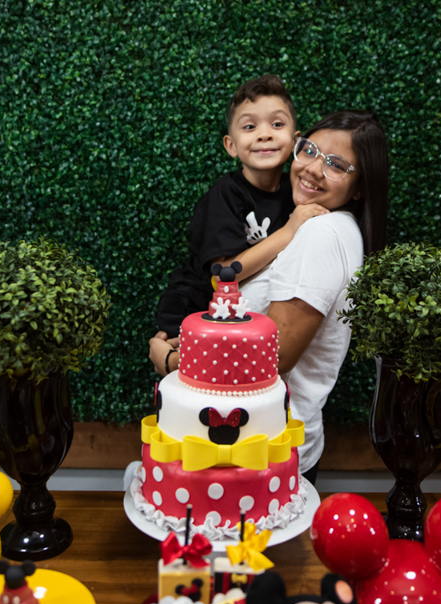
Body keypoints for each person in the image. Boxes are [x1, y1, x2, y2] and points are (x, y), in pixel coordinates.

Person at [151, 110, 390, 483]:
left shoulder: (321, 235)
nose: (313, 168)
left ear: (359, 187)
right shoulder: (317, 225)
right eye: (309, 150)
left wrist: (174, 363)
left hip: (264, 450)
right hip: (252, 440)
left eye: (336, 165)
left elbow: (272, 358)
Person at [153, 74, 329, 339]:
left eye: (277, 124)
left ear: (296, 141)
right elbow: (223, 276)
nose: (265, 135)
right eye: (249, 127)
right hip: (193, 309)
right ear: (231, 146)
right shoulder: (226, 194)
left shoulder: (296, 190)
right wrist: (289, 230)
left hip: (240, 314)